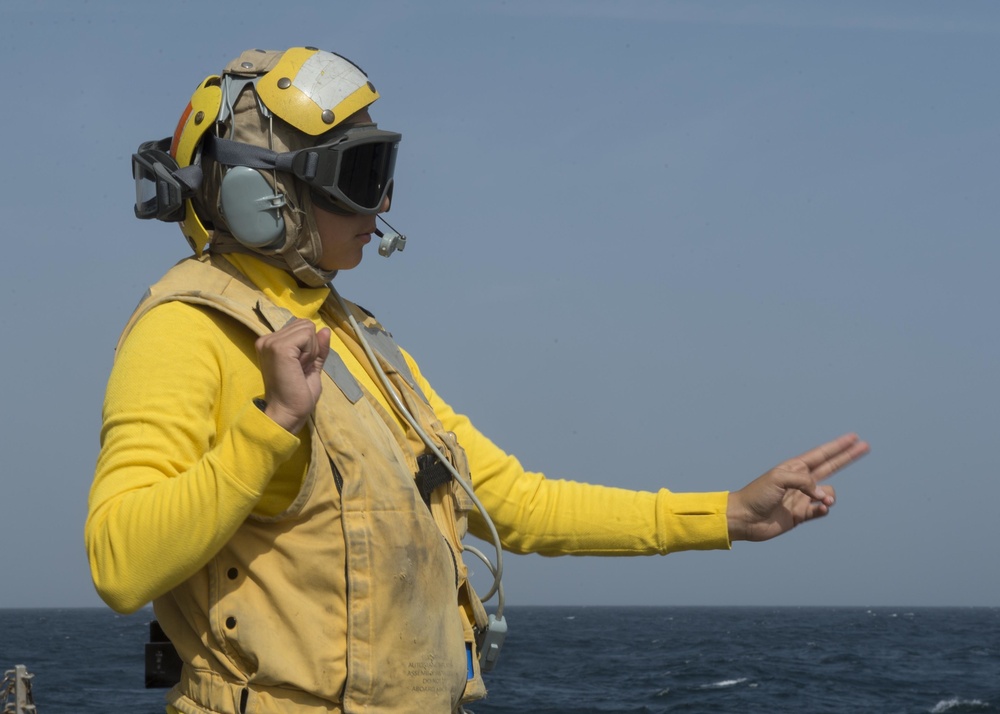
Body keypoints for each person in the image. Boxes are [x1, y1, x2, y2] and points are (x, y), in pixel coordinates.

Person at [85, 47, 869, 714]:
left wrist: (727, 512)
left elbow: (514, 504)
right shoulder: (187, 328)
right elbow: (121, 566)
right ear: (266, 195)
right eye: (359, 175)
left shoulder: (357, 339)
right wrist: (273, 425)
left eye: (384, 170)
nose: (382, 202)